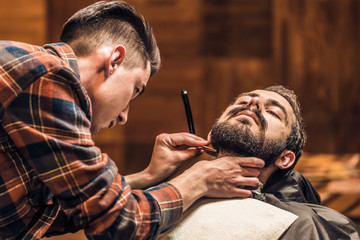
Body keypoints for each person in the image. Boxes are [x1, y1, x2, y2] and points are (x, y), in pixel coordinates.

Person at [0, 1, 265, 239]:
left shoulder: (32, 71)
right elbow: (119, 223)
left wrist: (148, 176)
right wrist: (198, 180)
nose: (125, 115)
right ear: (114, 60)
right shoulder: (45, 75)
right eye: (136, 90)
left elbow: (52, 211)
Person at [159, 85, 360, 240]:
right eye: (241, 102)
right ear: (211, 135)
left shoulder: (304, 226)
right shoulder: (153, 195)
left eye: (273, 112)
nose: (252, 102)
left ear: (284, 158)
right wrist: (149, 177)